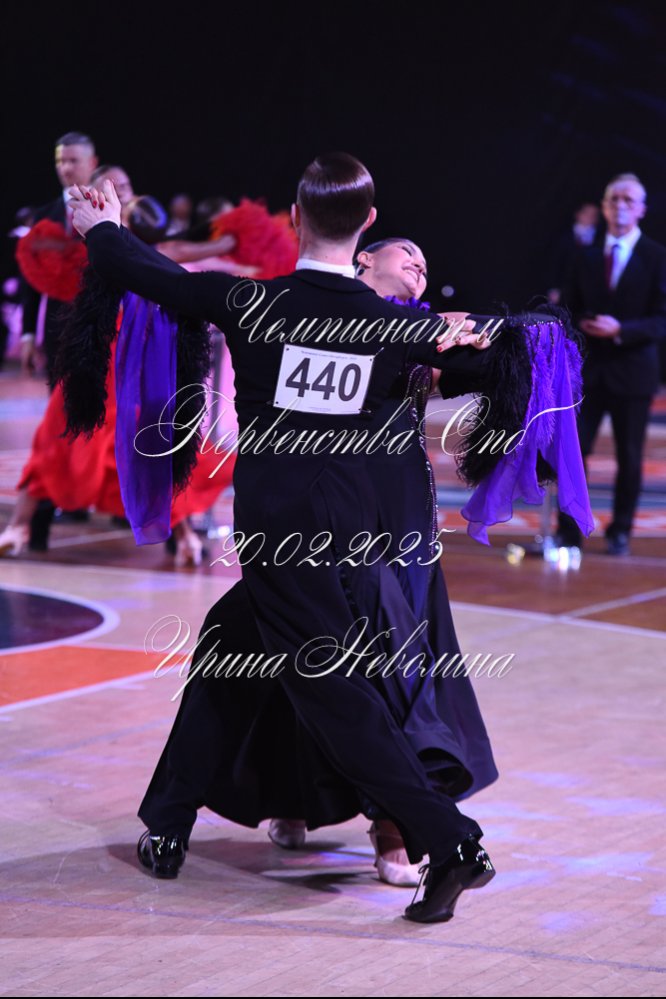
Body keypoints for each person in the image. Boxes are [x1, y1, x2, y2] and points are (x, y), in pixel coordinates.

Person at [67, 152, 500, 924]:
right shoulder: (394, 325)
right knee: (226, 642)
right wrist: (478, 336)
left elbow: (152, 274)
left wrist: (100, 226)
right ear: (368, 224)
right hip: (352, 537)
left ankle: (451, 839)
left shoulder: (253, 302)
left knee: (335, 696)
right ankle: (168, 818)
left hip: (280, 535)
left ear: (295, 218)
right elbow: (493, 363)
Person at [557, 173, 666, 555]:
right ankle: (569, 530)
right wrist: (581, 323)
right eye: (614, 199)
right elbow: (567, 307)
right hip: (587, 371)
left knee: (629, 456)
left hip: (633, 371)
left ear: (641, 210)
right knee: (573, 453)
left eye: (628, 200)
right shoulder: (585, 254)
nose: (620, 205)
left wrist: (621, 329)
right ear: (604, 207)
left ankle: (620, 530)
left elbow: (662, 319)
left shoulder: (657, 256)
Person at [19, 132, 98, 383]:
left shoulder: (108, 208)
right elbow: (32, 277)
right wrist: (28, 334)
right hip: (57, 329)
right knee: (57, 398)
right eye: (60, 161)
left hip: (101, 323)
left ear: (92, 163)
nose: (65, 168)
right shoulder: (42, 216)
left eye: (73, 161)